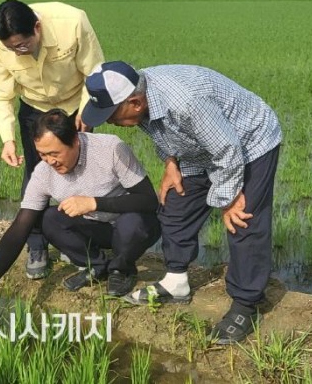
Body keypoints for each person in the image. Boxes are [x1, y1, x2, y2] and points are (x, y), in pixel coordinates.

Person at [81, 61, 282, 344]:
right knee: (175, 205)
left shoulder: (186, 101)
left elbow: (227, 150)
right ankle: (176, 281)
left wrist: (228, 199)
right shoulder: (140, 96)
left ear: (135, 102)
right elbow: (163, 133)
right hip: (200, 145)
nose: (111, 122)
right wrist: (170, 161)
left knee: (242, 219)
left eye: (112, 115)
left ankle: (246, 304)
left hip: (247, 142)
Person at [0, 109, 160, 311]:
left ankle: (122, 269)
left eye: (54, 153)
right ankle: (96, 265)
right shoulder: (43, 173)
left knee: (133, 223)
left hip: (131, 225)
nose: (50, 161)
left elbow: (148, 201)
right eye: (42, 154)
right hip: (97, 229)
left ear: (75, 141)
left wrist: (94, 203)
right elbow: (19, 228)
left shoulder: (110, 148)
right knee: (49, 218)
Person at [0, 0, 105, 279]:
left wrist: (87, 113)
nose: (18, 51)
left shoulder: (73, 22)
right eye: (11, 48)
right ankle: (36, 244)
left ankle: (74, 238)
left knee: (80, 172)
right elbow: (0, 94)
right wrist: (7, 138)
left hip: (76, 105)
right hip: (34, 108)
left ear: (37, 28)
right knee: (36, 175)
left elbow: (94, 73)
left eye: (22, 45)